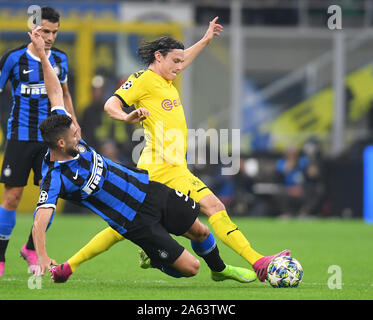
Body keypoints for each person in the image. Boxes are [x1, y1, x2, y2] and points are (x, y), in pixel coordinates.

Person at [55, 17, 290, 283]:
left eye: (180, 62)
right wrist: (126, 117)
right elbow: (111, 103)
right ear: (158, 56)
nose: (180, 67)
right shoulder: (143, 79)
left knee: (138, 227)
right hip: (158, 169)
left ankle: (71, 265)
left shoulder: (167, 79)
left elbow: (183, 59)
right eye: (175, 62)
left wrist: (205, 40)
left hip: (174, 167)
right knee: (207, 208)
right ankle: (258, 262)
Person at [0, 6, 80, 276]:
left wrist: (73, 122)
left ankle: (32, 248)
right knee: (12, 196)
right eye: (44, 31)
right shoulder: (12, 59)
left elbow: (64, 94)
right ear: (31, 29)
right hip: (19, 137)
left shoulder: (60, 59)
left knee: (50, 197)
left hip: (51, 141)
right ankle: (0, 257)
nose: (49, 37)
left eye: (54, 32)